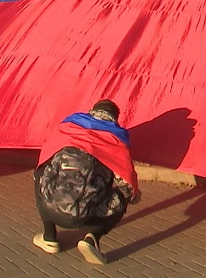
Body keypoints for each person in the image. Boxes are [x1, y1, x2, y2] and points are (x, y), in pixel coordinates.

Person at [32, 99, 140, 265]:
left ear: (91, 111)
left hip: (50, 206)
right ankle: (92, 238)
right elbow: (127, 187)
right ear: (114, 119)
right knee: (122, 197)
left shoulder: (68, 128)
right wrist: (133, 196)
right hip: (84, 216)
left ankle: (49, 236)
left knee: (40, 171)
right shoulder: (115, 140)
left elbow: (45, 160)